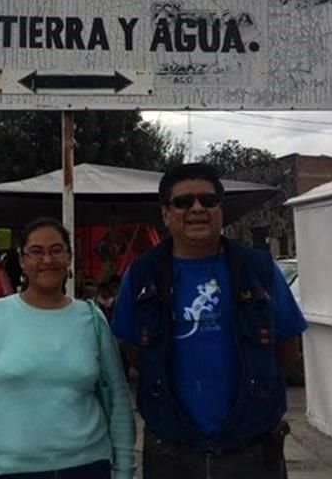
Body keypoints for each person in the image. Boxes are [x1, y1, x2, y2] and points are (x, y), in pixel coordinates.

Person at [111, 163, 307, 478]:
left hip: (251, 449)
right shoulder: (141, 275)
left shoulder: (260, 270)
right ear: (165, 214)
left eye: (208, 200)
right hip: (171, 450)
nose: (198, 208)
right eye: (183, 202)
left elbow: (286, 349)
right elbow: (135, 353)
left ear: (220, 210)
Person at [0, 218, 135, 479]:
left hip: (88, 466)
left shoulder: (92, 320)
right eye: (36, 252)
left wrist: (125, 467)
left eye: (57, 250)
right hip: (12, 470)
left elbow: (118, 397)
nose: (47, 260)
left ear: (70, 257)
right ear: (22, 261)